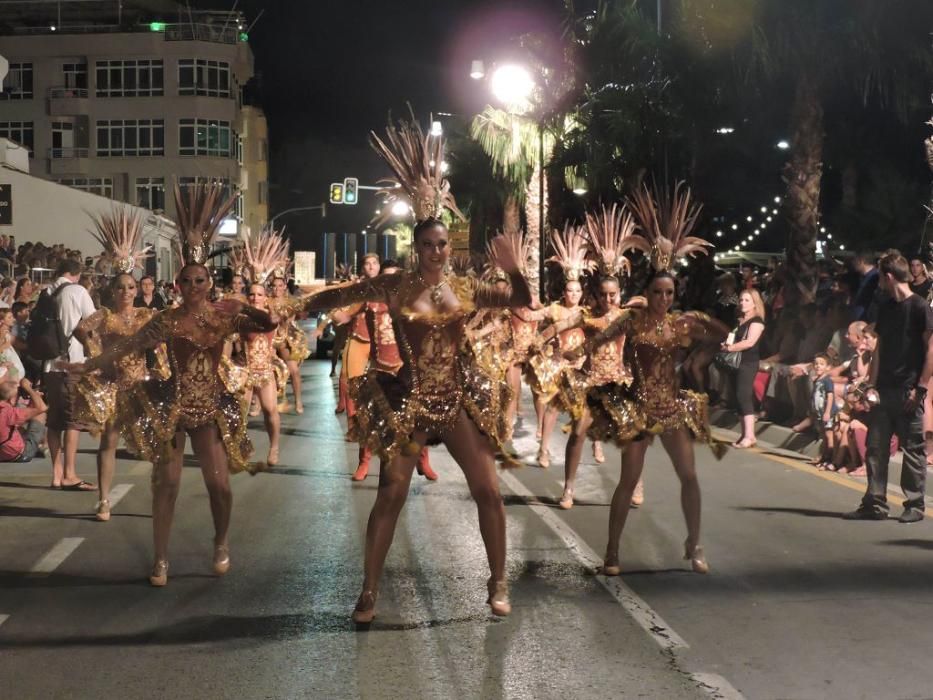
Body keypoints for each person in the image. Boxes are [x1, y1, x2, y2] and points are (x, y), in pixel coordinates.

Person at [303, 116, 531, 622]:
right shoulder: (394, 287)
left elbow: (520, 298)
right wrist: (293, 305)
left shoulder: (467, 289)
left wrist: (514, 266)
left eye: (442, 245)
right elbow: (342, 295)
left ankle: (497, 582)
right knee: (392, 492)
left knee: (488, 491)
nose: (435, 251)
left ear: (450, 247)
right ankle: (368, 590)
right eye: (426, 244)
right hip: (407, 399)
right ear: (416, 247)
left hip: (455, 399)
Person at [65, 182, 276, 585]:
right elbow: (127, 346)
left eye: (200, 281)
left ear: (209, 283)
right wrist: (91, 365)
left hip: (211, 407)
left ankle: (221, 542)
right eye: (187, 282)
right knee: (168, 483)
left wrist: (244, 305)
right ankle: (160, 558)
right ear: (177, 285)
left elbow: (269, 325)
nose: (194, 287)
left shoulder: (222, 317)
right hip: (174, 407)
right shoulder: (167, 320)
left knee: (220, 486)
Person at [578, 182, 728, 576]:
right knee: (628, 480)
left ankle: (694, 544)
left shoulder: (680, 324)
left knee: (689, 476)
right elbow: (601, 338)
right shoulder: (634, 319)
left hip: (672, 407)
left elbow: (722, 335)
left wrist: (704, 325)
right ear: (647, 292)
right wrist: (580, 353)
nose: (664, 298)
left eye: (669, 292)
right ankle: (611, 551)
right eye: (658, 292)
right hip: (638, 407)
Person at [844, 252, 933, 522]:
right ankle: (874, 503)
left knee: (913, 450)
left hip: (909, 388)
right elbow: (879, 347)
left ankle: (915, 505)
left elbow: (931, 348)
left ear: (888, 276)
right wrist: (870, 385)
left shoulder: (919, 307)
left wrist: (920, 387)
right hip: (884, 388)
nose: (878, 282)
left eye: (880, 277)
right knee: (876, 447)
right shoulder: (886, 307)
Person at [43, 258, 98, 491]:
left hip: (49, 366)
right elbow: (93, 322)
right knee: (73, 421)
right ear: (76, 273)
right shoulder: (77, 290)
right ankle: (70, 474)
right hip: (71, 364)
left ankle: (56, 475)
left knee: (54, 421)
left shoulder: (46, 291)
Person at [721, 289, 766, 448]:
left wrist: (730, 348)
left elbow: (749, 342)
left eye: (747, 300)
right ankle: (744, 434)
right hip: (736, 362)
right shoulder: (740, 321)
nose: (742, 303)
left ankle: (750, 435)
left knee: (744, 395)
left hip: (748, 362)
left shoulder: (757, 322)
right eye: (741, 300)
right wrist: (727, 345)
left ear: (755, 303)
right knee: (738, 397)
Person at [0, 377, 47, 463]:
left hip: (2, 453)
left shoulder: (5, 411)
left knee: (17, 428)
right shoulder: (9, 413)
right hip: (19, 454)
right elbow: (42, 408)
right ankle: (42, 445)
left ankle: (39, 445)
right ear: (11, 399)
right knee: (40, 415)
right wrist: (28, 388)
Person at [809, 353, 838, 469]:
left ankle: (829, 458)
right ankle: (824, 456)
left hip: (827, 412)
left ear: (828, 367)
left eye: (821, 364)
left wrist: (827, 412)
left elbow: (830, 396)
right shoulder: (817, 380)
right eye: (816, 364)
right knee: (823, 434)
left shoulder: (827, 381)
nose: (818, 366)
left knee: (828, 434)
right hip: (819, 413)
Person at [851, 251, 879, 322]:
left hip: (866, 321)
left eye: (855, 260)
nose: (853, 263)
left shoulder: (875, 277)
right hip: (860, 320)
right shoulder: (863, 277)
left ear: (861, 261)